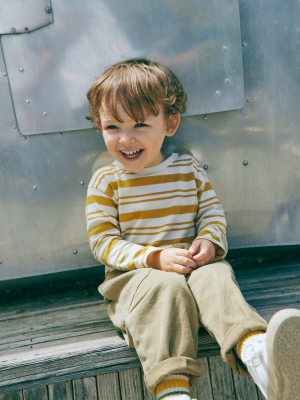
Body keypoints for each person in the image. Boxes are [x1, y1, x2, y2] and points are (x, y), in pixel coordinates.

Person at [85, 58, 300, 400]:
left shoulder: (187, 169)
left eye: (140, 124)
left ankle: (258, 356)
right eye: (113, 127)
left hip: (193, 268)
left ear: (170, 123)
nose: (126, 139)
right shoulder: (107, 181)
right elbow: (102, 242)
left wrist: (209, 241)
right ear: (99, 126)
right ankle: (173, 391)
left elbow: (212, 213)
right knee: (164, 286)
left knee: (216, 276)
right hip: (138, 280)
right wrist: (154, 258)